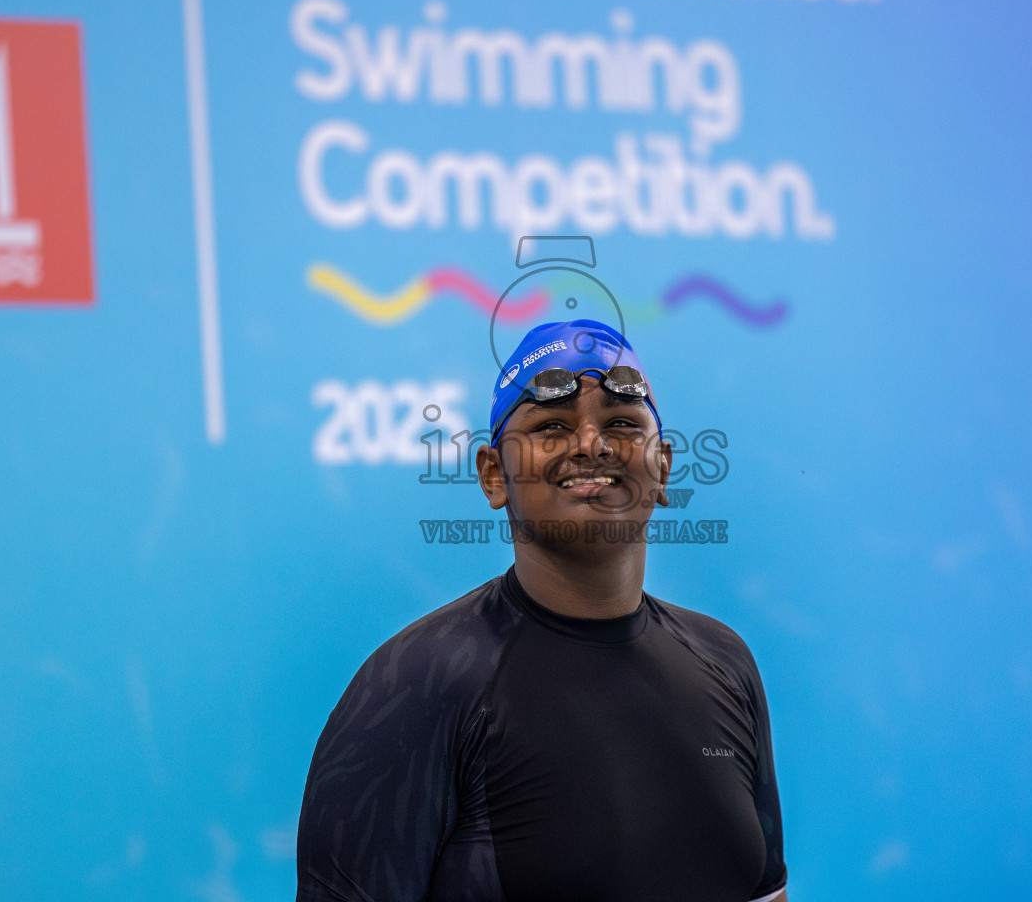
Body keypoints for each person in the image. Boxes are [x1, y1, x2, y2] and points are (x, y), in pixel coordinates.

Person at [295, 319, 789, 902]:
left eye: (622, 423)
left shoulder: (724, 662)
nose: (590, 444)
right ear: (493, 475)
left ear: (663, 467)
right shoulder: (414, 685)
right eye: (552, 425)